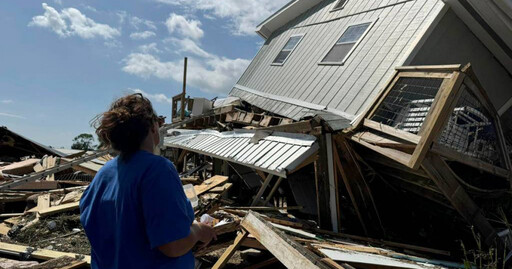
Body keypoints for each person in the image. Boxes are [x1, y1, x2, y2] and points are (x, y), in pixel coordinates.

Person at [80, 93, 216, 269]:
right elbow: (172, 245)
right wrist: (198, 231)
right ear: (152, 127)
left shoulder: (103, 174)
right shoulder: (158, 169)